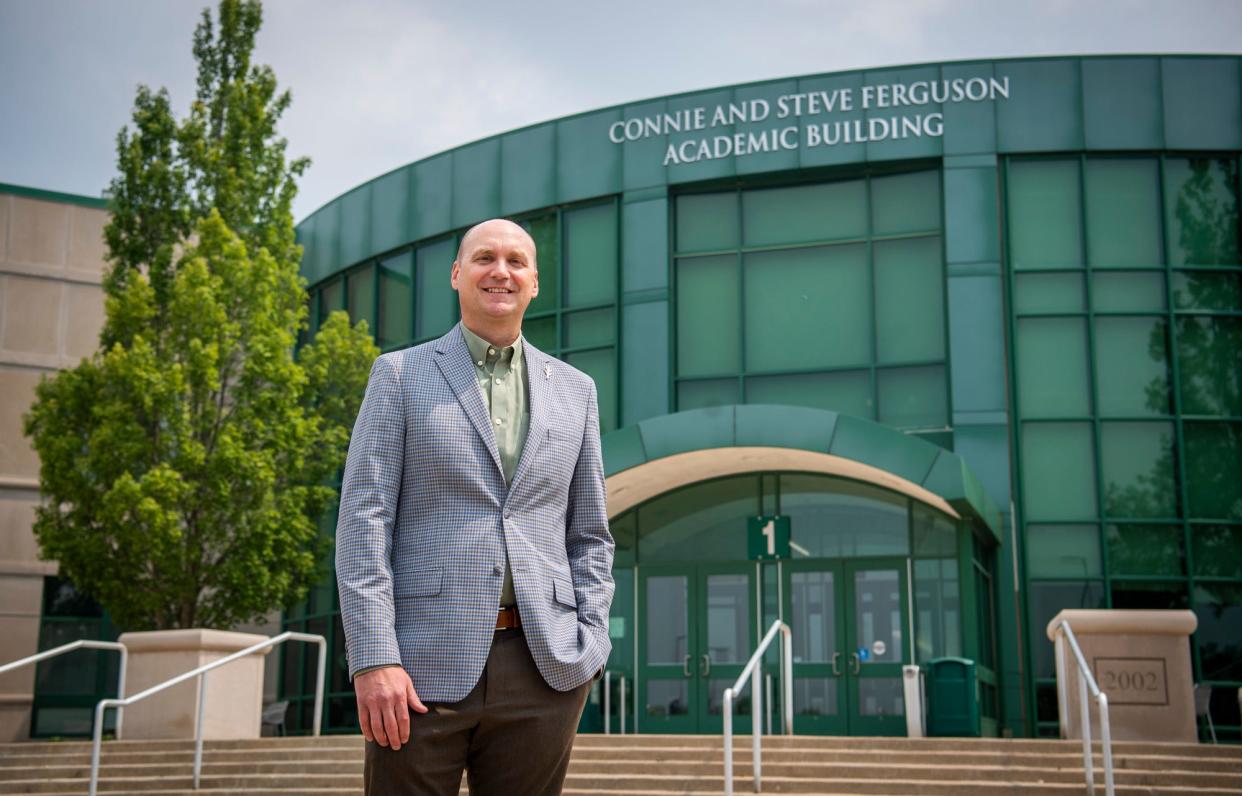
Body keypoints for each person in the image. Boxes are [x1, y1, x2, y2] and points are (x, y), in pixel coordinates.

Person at [335, 218, 614, 796]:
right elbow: (363, 525)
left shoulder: (575, 390)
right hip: (415, 668)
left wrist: (590, 638)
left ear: (534, 282)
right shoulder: (399, 376)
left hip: (544, 668)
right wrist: (373, 657)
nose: (501, 271)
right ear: (457, 274)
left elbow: (589, 533)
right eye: (485, 257)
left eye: (517, 261)